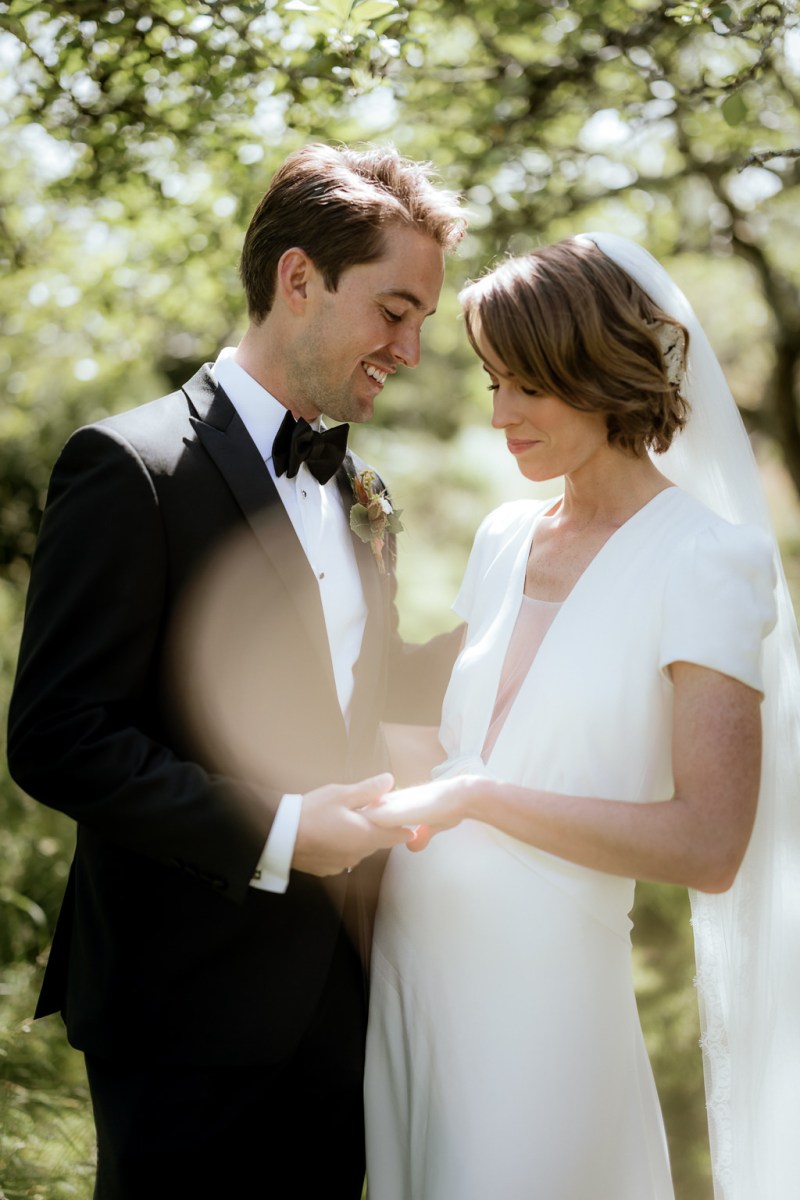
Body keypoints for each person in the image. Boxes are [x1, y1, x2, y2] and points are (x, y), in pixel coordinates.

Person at [6, 143, 466, 1199]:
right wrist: (281, 831)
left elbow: (366, 680)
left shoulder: (361, 486)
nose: (407, 348)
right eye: (393, 311)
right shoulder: (129, 470)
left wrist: (542, 609)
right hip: (182, 1006)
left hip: (341, 991)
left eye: (421, 324)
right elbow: (60, 738)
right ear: (298, 279)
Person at [364, 234, 800, 1199]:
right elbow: (452, 734)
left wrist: (479, 796)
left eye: (530, 387)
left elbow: (709, 843)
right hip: (413, 968)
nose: (501, 416)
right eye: (493, 383)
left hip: (545, 998)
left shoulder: (706, 560)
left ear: (604, 376)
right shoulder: (505, 536)